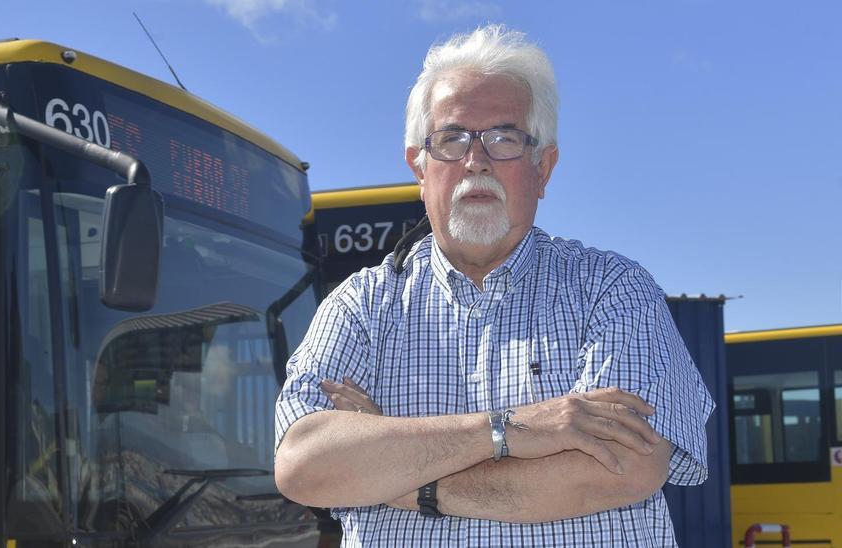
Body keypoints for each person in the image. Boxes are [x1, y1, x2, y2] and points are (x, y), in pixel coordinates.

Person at [273, 25, 713, 546]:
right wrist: (511, 429)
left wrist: (406, 480)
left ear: (543, 167)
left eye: (504, 138)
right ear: (419, 165)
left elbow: (626, 467)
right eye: (452, 138)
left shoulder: (612, 289)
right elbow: (303, 465)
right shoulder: (359, 306)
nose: (475, 161)